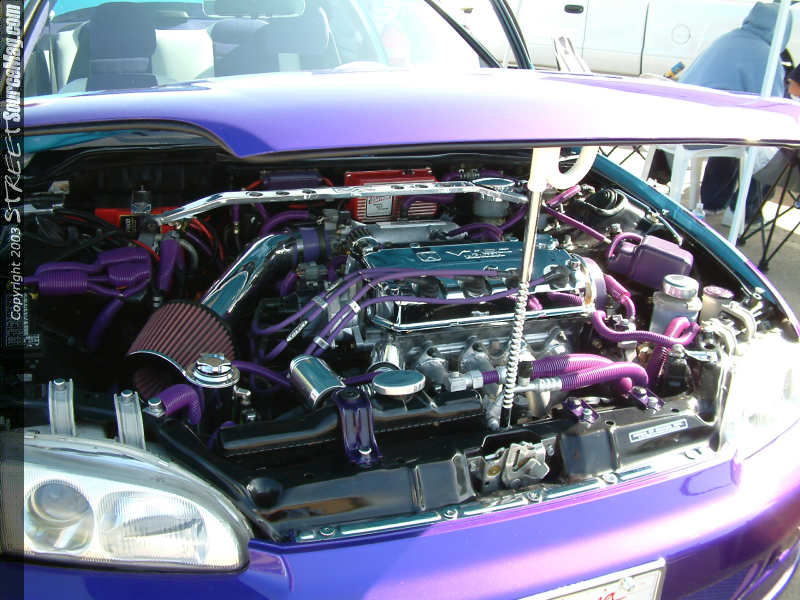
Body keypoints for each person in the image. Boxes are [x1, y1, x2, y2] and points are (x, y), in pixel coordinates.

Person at [679, 2, 793, 220]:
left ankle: (713, 203)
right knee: (764, 144)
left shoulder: (725, 39)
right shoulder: (767, 55)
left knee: (737, 139)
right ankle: (744, 211)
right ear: (783, 29)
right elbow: (773, 109)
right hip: (714, 131)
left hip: (682, 126)